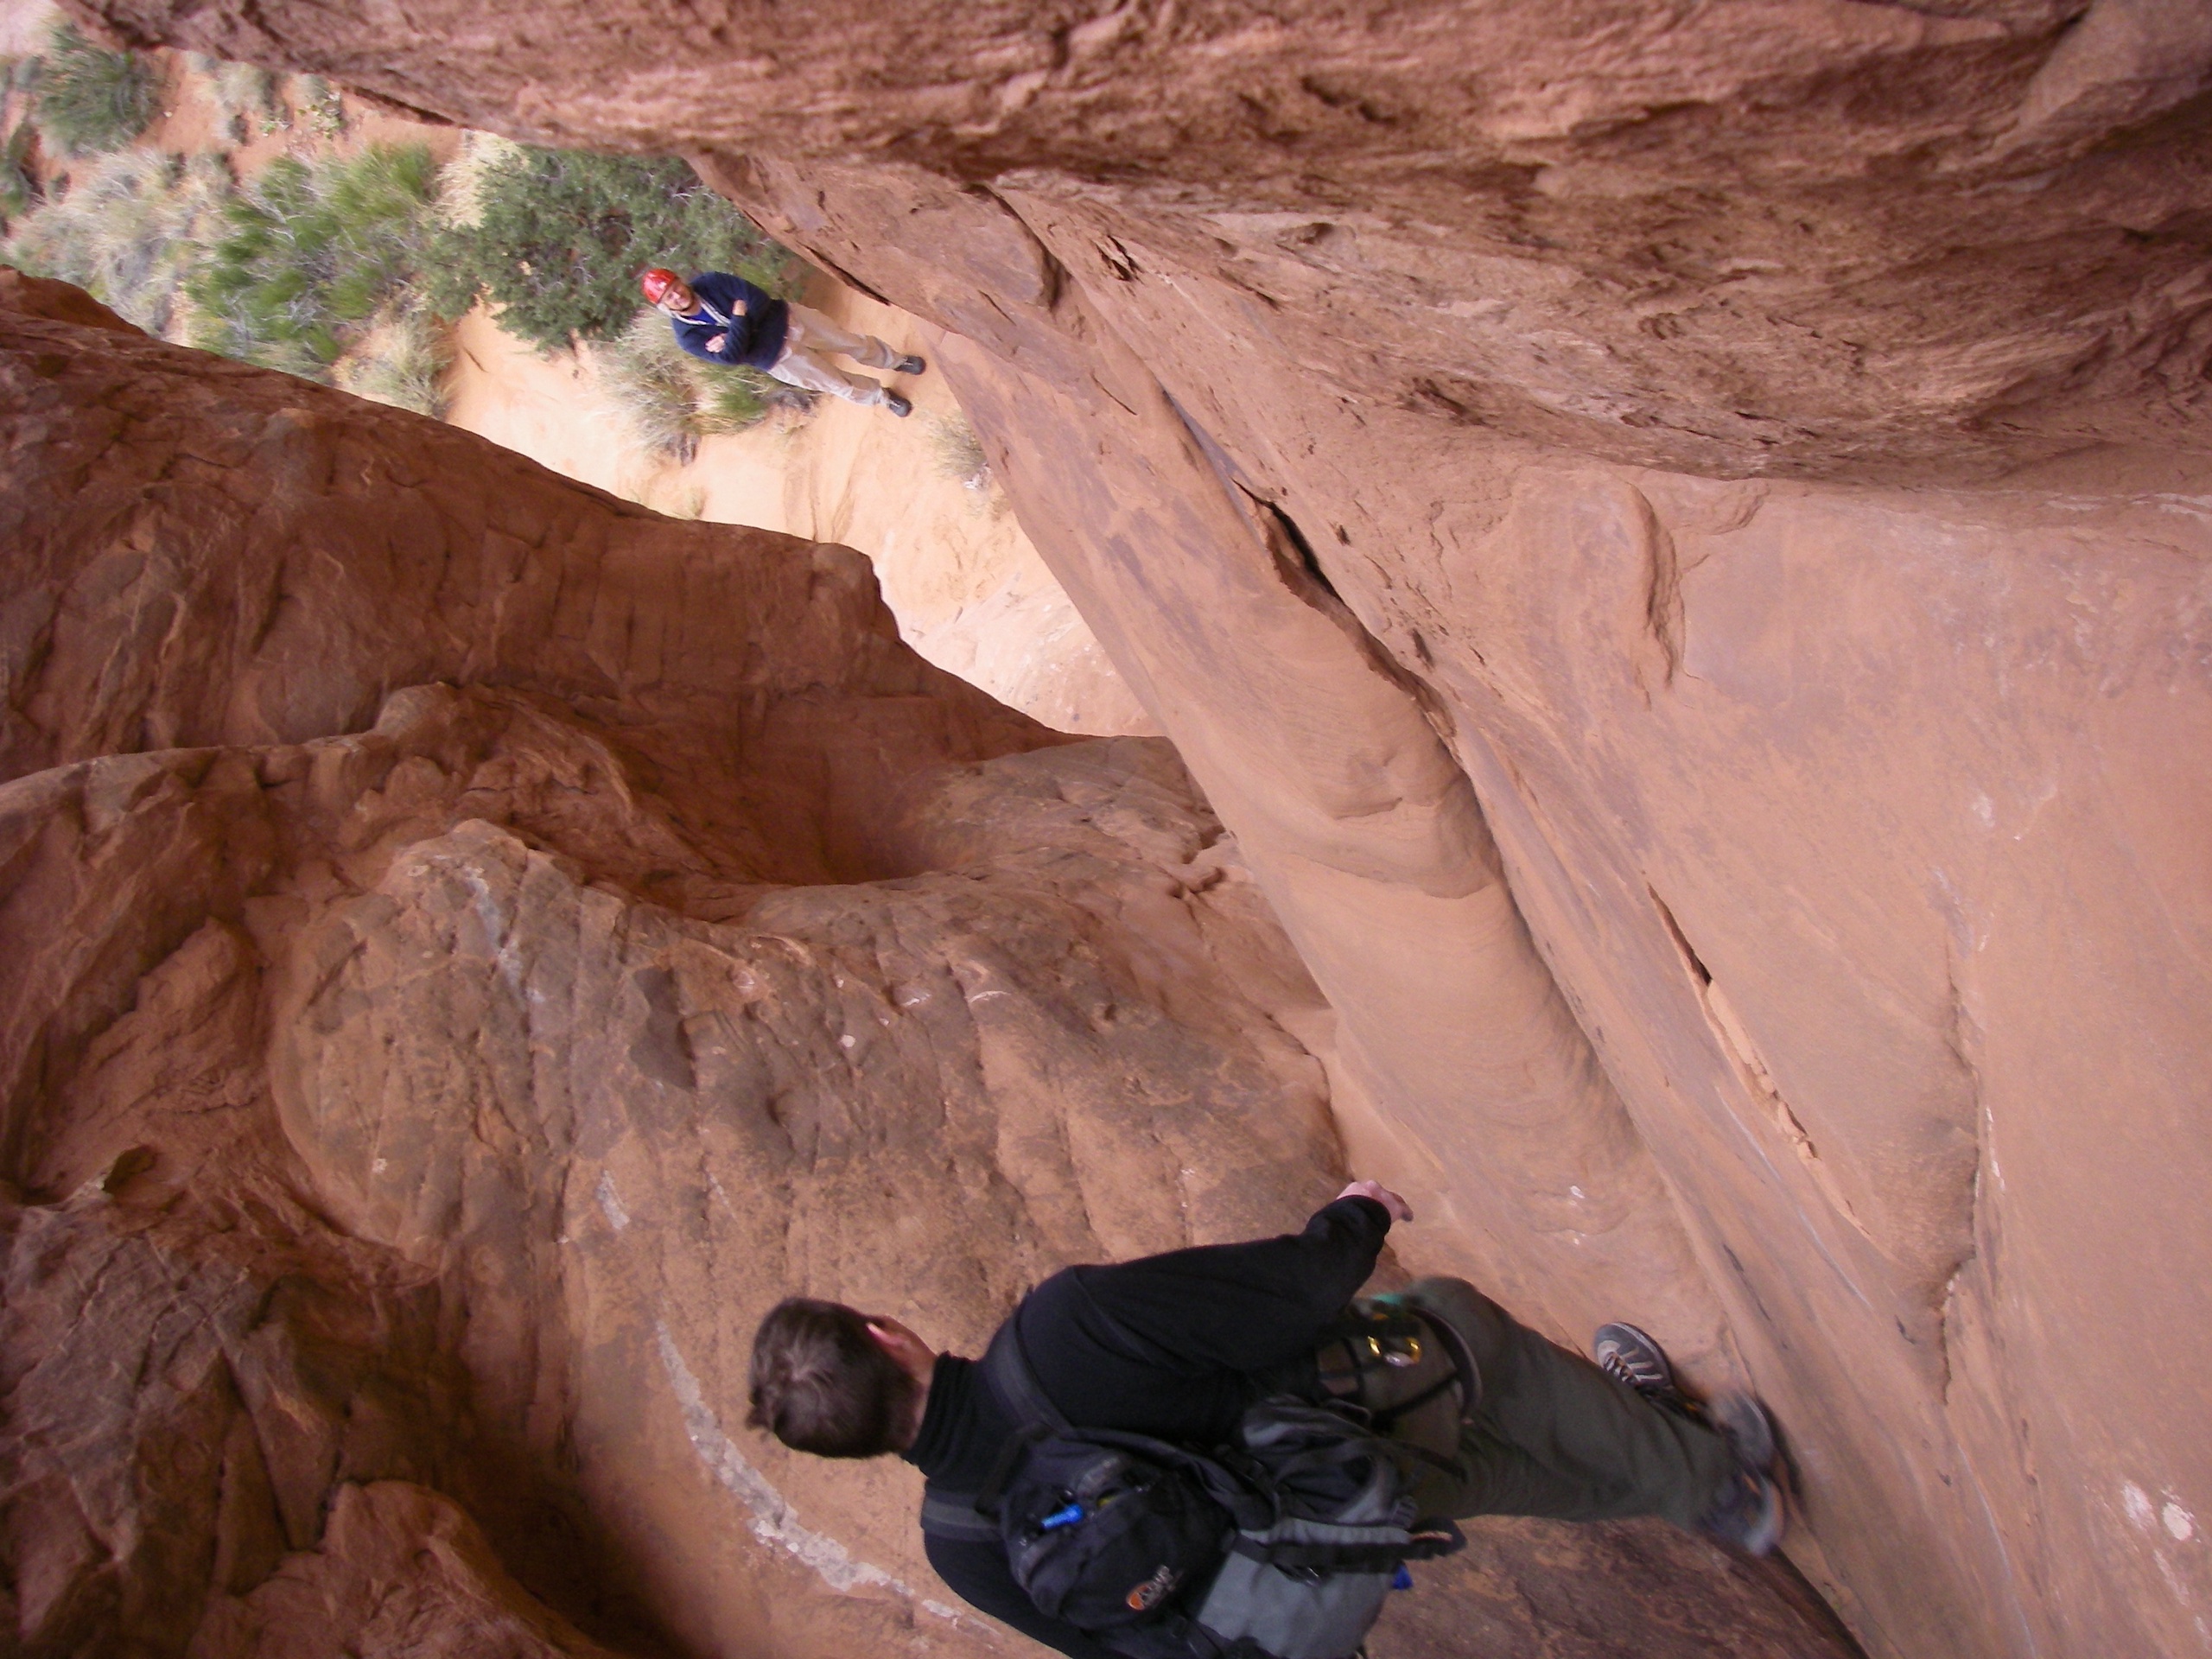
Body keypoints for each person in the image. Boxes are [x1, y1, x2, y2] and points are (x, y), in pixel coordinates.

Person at [747, 1181, 1784, 1659]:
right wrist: (1356, 1213)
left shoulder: (961, 1546)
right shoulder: (1061, 1330)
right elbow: (1285, 1294)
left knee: (1462, 1476)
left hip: (1315, 1546)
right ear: (886, 1334)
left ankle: (1671, 1468)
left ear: (854, 1449)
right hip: (1349, 1417)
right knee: (1460, 1328)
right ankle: (1715, 1484)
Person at [639, 267, 925, 417]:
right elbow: (731, 358)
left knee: (850, 342)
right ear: (664, 306)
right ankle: (882, 397)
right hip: (776, 358)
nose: (677, 295)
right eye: (668, 297)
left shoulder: (712, 282)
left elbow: (759, 299)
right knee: (836, 384)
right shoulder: (687, 336)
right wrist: (739, 317)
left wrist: (734, 336)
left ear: (680, 280)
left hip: (789, 319)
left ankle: (896, 360)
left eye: (675, 286)